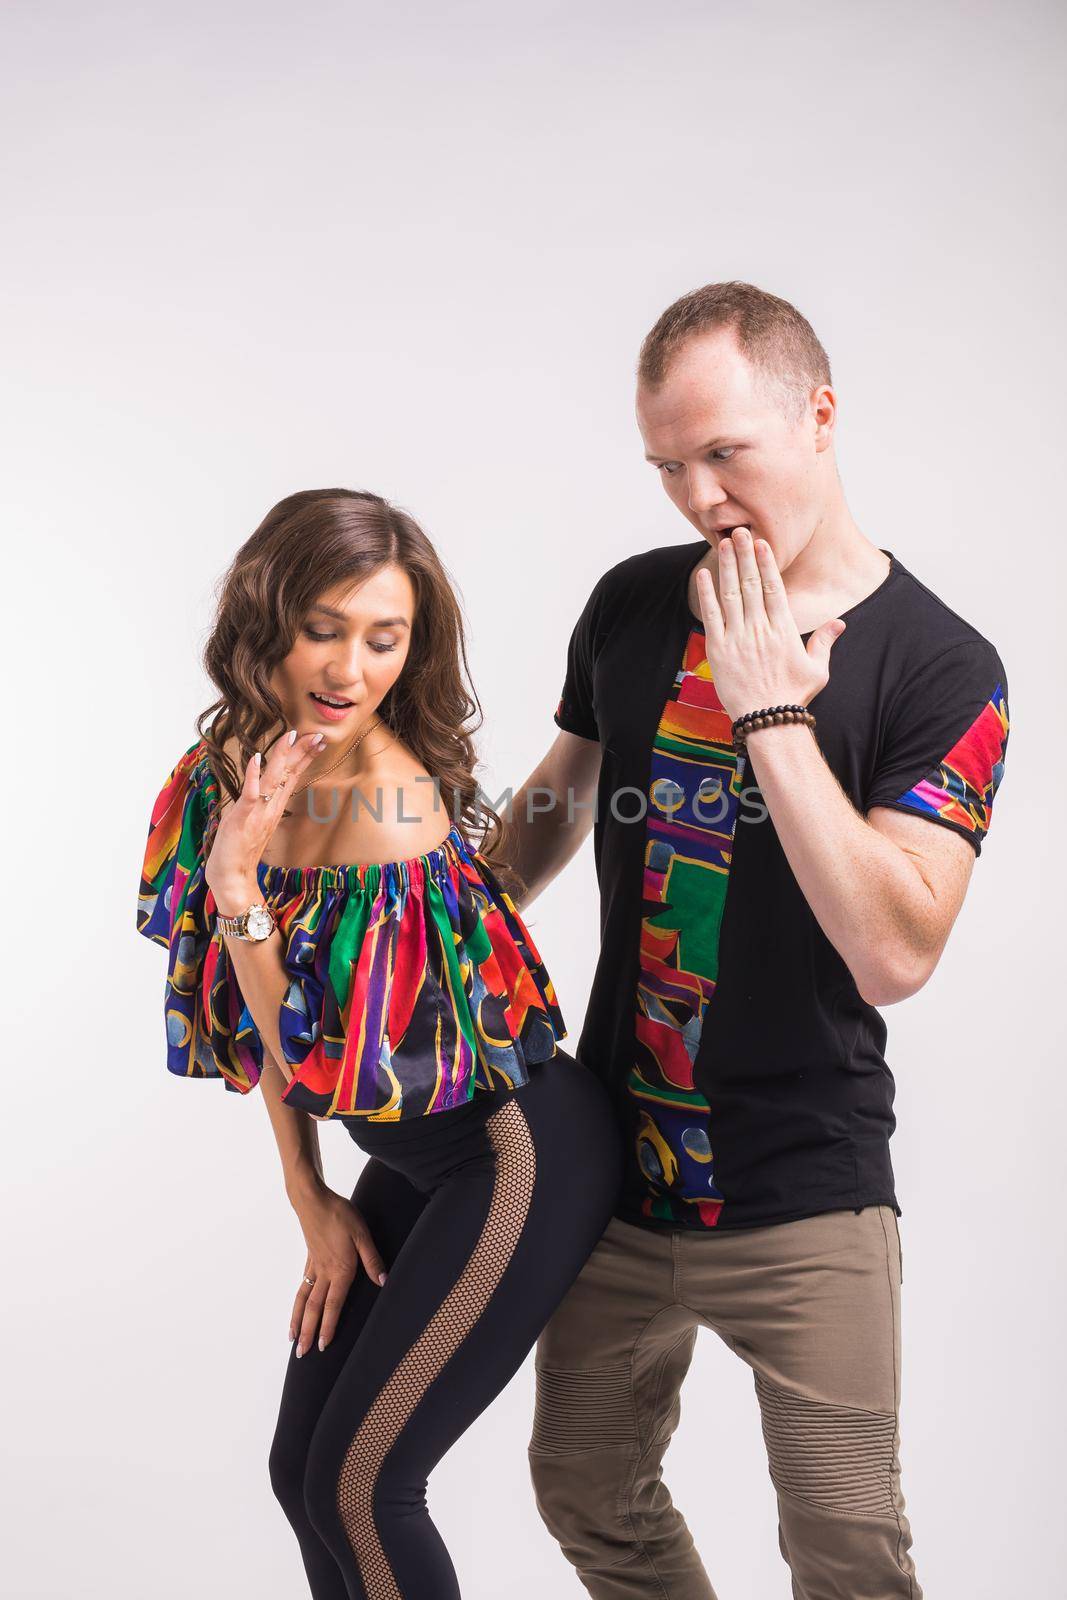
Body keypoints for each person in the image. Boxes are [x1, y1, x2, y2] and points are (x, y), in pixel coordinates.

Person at [508, 283, 1010, 1599]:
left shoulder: (939, 668)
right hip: (608, 1175)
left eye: (723, 451)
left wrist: (768, 717)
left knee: (846, 1554)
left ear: (818, 414)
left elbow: (894, 953)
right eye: (668, 464)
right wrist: (381, 883)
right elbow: (548, 813)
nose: (696, 496)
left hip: (803, 1190)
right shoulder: (629, 603)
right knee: (584, 1495)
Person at [135, 487, 623, 1600]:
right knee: (298, 1472)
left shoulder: (386, 809)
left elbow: (309, 1051)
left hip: (517, 1155)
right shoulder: (234, 767)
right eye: (323, 626)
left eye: (383, 638)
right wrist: (310, 1198)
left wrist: (234, 883)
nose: (348, 668)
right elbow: (245, 1017)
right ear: (265, 617)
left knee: (364, 1484)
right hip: (414, 1153)